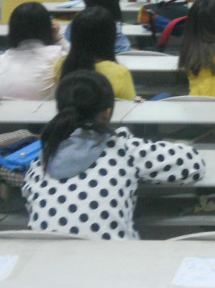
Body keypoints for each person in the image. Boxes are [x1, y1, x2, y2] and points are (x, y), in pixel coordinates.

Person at [22, 70, 205, 239]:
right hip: (114, 259)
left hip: (46, 261)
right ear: (107, 113)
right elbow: (195, 167)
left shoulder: (40, 161)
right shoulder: (122, 149)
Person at [55, 7, 137, 100]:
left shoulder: (59, 65)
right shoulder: (120, 73)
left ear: (73, 36)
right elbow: (129, 105)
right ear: (110, 37)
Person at [0, 2, 69, 100]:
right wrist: (58, 37)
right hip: (45, 109)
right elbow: (80, 61)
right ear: (47, 27)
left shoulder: (2, 60)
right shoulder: (57, 55)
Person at [64, 0, 131, 53]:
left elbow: (67, 44)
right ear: (115, 5)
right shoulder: (113, 27)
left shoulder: (76, 22)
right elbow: (124, 50)